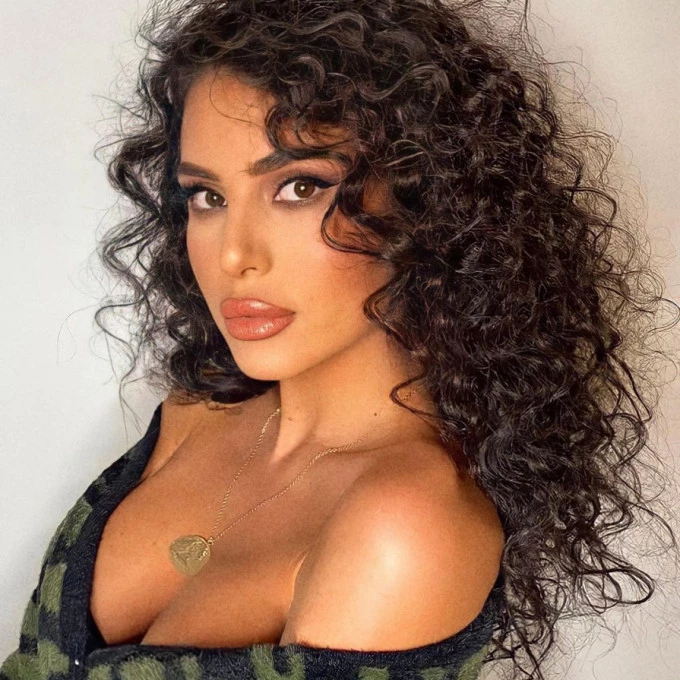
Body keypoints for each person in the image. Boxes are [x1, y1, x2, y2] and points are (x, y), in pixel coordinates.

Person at [1, 0, 676, 678]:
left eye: (299, 187)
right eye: (208, 197)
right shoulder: (195, 415)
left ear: (425, 199)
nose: (234, 255)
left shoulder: (405, 526)